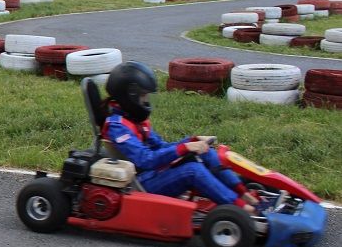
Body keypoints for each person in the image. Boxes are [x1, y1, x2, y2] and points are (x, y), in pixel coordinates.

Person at [101, 61, 257, 213]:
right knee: (192, 170)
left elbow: (159, 146)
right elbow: (145, 159)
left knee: (206, 152)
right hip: (140, 184)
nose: (147, 101)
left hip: (153, 173)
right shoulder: (118, 127)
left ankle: (243, 193)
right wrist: (184, 148)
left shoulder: (134, 119)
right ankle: (242, 209)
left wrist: (191, 141)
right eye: (144, 97)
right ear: (130, 97)